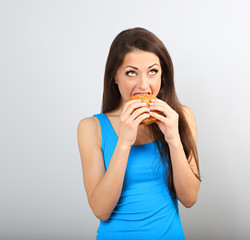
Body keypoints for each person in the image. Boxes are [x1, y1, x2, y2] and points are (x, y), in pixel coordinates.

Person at [77, 27, 201, 240]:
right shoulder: (91, 128)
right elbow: (100, 209)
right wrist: (124, 142)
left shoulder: (182, 117)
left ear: (163, 75)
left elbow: (189, 198)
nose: (144, 85)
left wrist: (173, 139)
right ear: (114, 77)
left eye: (152, 71)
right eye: (131, 73)